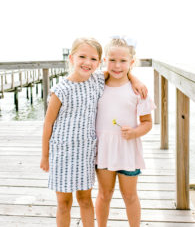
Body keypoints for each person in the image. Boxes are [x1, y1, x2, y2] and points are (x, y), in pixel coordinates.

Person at [40, 37, 147, 227]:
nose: (87, 62)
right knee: (63, 203)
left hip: (86, 153)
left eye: (93, 59)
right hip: (61, 154)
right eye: (82, 56)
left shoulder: (97, 80)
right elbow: (48, 124)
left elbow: (119, 72)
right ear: (72, 58)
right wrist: (45, 156)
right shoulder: (60, 90)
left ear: (99, 62)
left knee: (85, 200)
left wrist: (135, 78)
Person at [95, 37, 156, 227]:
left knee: (130, 196)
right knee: (104, 195)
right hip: (103, 151)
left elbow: (147, 123)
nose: (117, 65)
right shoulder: (97, 84)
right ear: (104, 60)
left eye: (123, 61)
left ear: (131, 62)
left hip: (128, 150)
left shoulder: (138, 91)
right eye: (112, 60)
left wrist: (135, 132)